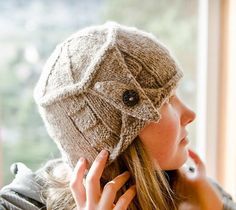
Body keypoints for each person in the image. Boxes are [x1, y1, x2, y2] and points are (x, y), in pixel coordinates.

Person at [0, 22, 236, 210]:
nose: (190, 114)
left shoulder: (196, 189)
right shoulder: (17, 205)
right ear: (113, 139)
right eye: (166, 101)